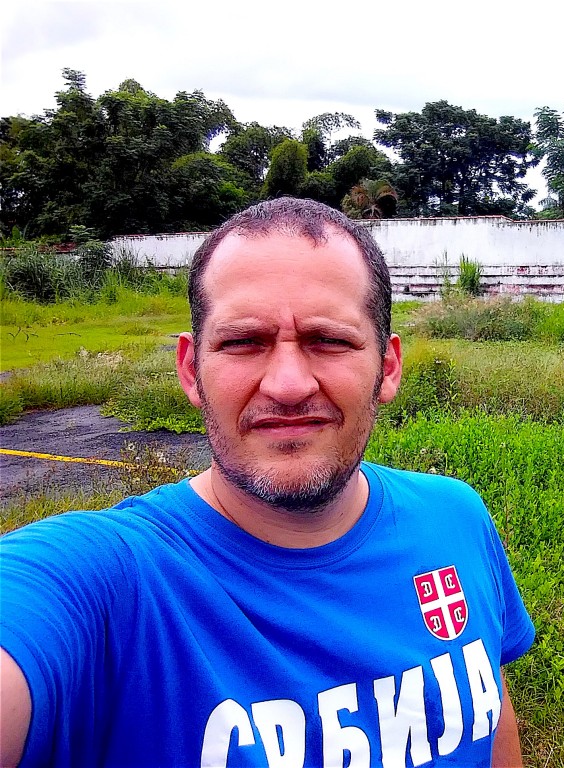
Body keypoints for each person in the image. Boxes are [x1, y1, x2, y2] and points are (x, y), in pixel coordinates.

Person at [0, 198, 535, 768]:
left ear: (388, 366)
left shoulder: (456, 516)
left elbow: (491, 719)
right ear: (191, 370)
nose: (286, 385)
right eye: (242, 342)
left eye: (328, 340)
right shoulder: (106, 580)